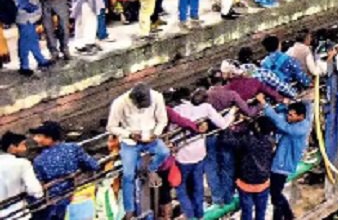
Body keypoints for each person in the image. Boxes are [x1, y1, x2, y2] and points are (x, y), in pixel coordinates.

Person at [106, 84, 171, 218]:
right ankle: (129, 209)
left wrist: (156, 133)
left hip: (150, 137)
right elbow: (111, 127)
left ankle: (151, 168)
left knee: (164, 152)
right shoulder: (120, 103)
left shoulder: (157, 97)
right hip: (130, 142)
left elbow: (162, 120)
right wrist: (129, 134)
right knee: (128, 175)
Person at [171, 87, 232, 220]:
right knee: (198, 185)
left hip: (183, 157)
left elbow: (172, 136)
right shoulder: (205, 108)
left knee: (182, 189)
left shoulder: (176, 112)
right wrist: (232, 112)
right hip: (199, 154)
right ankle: (199, 214)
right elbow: (223, 124)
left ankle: (190, 215)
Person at [29, 121, 100, 220]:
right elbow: (93, 165)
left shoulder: (38, 161)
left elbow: (40, 184)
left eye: (39, 136)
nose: (35, 139)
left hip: (56, 204)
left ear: (49, 138)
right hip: (79, 195)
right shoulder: (73, 148)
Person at [264, 101, 310, 220]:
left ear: (301, 116)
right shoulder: (298, 123)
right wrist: (282, 105)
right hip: (280, 163)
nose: (288, 117)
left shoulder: (299, 128)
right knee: (276, 193)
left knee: (275, 194)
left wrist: (266, 106)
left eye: (291, 115)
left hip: (283, 165)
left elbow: (282, 126)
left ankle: (287, 215)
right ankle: (284, 216)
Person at [225, 116, 275, 220]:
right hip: (263, 183)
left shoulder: (248, 141)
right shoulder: (270, 141)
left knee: (247, 211)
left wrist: (227, 127)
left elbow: (227, 140)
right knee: (261, 212)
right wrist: (251, 123)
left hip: (245, 183)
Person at [10, 0, 50, 76]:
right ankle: (24, 66)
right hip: (25, 18)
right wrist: (35, 8)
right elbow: (22, 3)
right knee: (25, 43)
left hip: (28, 18)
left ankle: (41, 60)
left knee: (32, 41)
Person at [0, 131, 44, 218]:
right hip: (19, 213)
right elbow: (35, 191)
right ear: (12, 147)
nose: (25, 148)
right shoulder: (22, 163)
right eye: (23, 145)